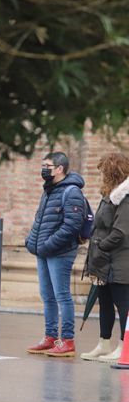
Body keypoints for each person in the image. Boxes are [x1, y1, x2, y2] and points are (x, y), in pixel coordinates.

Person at [25, 151, 87, 357]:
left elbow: (72, 226)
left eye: (47, 166)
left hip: (60, 253)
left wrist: (48, 245)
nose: (44, 169)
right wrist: (31, 241)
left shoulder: (71, 192)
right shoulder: (49, 190)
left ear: (60, 169)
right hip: (43, 251)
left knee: (62, 296)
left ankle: (67, 340)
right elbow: (40, 219)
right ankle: (50, 337)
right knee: (47, 296)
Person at [82, 153, 129, 362]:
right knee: (105, 302)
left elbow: (120, 233)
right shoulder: (109, 195)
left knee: (124, 306)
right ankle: (104, 343)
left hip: (119, 262)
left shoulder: (125, 198)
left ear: (112, 173)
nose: (100, 176)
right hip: (104, 262)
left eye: (103, 172)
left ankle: (123, 346)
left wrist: (100, 246)